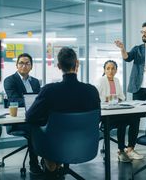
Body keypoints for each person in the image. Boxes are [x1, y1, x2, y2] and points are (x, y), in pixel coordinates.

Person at [26, 47, 101, 178]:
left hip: (55, 146)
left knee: (37, 127)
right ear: (77, 64)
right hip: (85, 146)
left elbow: (30, 117)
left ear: (59, 66)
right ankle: (55, 161)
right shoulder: (92, 90)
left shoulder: (49, 90)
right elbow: (97, 118)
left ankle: (50, 161)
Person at [95, 60, 143, 162]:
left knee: (135, 117)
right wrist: (110, 98)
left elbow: (122, 97)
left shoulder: (116, 80)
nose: (110, 71)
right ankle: (121, 151)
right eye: (108, 68)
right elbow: (96, 97)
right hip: (106, 115)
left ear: (116, 70)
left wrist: (113, 98)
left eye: (113, 68)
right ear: (104, 70)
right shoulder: (101, 80)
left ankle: (130, 149)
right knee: (122, 121)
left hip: (117, 110)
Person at [3, 53, 43, 175]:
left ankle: (49, 160)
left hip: (35, 116)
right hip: (18, 121)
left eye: (27, 63)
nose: (24, 66)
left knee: (52, 124)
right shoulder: (10, 80)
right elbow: (14, 100)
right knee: (34, 128)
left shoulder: (35, 82)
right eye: (21, 63)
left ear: (31, 66)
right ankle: (34, 164)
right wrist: (33, 101)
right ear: (16, 65)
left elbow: (40, 99)